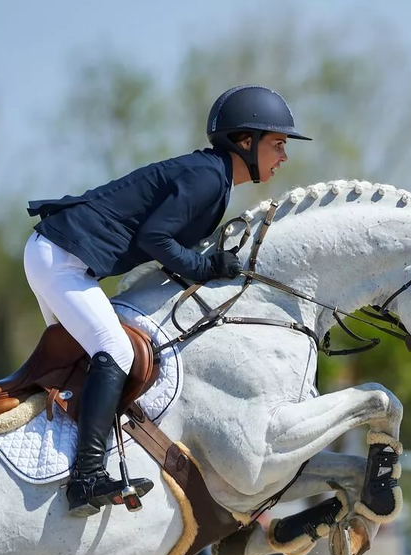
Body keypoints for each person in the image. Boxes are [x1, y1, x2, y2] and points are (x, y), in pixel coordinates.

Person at [23, 85, 311, 516]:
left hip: (62, 255)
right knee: (115, 350)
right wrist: (210, 268)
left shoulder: (214, 177)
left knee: (86, 366)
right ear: (245, 142)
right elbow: (155, 238)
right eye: (278, 144)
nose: (284, 156)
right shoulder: (207, 177)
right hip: (61, 257)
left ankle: (59, 466)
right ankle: (85, 478)